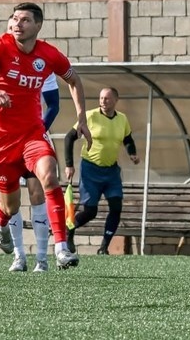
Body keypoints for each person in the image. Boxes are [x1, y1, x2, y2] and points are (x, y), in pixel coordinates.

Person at [0, 2, 90, 270]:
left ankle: (61, 249)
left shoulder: (49, 55)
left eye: (24, 20)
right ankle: (0, 221)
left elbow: (74, 80)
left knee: (49, 176)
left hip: (32, 134)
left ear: (38, 26)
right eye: (14, 19)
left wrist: (82, 118)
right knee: (10, 206)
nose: (16, 24)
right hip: (0, 140)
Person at [0, 72, 60, 273]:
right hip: (4, 142)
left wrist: (37, 131)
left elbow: (54, 105)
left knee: (37, 193)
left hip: (33, 141)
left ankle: (42, 259)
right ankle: (19, 256)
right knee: (12, 204)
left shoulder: (43, 66)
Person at [64, 86, 139, 255]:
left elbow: (128, 139)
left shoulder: (122, 119)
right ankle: (69, 230)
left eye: (106, 98)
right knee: (90, 212)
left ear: (115, 100)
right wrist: (69, 164)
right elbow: (69, 137)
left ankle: (104, 247)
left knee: (116, 207)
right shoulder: (90, 116)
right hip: (90, 169)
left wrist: (132, 154)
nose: (103, 101)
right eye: (101, 98)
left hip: (111, 171)